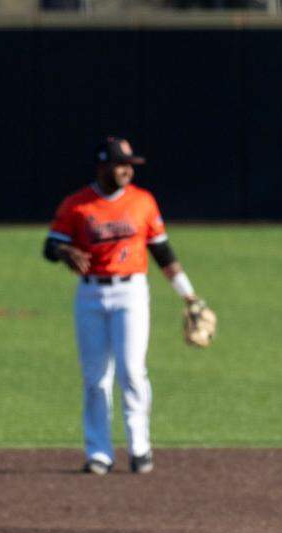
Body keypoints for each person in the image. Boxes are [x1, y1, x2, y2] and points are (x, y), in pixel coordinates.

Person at [43, 137, 204, 475]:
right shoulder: (77, 204)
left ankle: (140, 446)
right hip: (89, 295)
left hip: (131, 293)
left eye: (130, 164)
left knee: (132, 370)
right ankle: (99, 452)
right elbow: (51, 245)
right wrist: (64, 253)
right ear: (103, 167)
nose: (128, 170)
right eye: (121, 164)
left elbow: (163, 252)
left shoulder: (143, 201)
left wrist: (188, 295)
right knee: (96, 378)